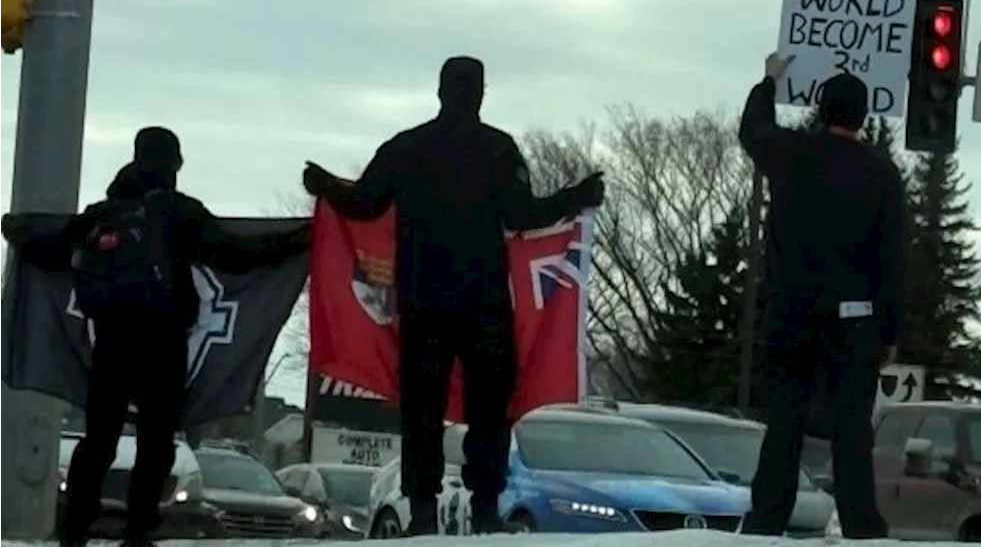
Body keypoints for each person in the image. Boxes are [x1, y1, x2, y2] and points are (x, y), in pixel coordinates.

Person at [301, 56, 604, 535]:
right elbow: (523, 214)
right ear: (480, 92)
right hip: (483, 300)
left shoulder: (406, 148)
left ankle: (422, 513)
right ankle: (485, 509)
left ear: (440, 91)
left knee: (422, 409)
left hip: (423, 301)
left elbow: (363, 203)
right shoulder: (497, 149)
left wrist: (326, 186)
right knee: (489, 411)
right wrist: (578, 195)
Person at [2, 127, 310, 547]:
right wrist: (296, 241)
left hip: (110, 341)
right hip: (163, 341)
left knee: (99, 438)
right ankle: (139, 529)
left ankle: (74, 529)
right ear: (174, 163)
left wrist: (20, 233)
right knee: (156, 439)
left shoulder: (104, 213)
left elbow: (52, 251)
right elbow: (234, 253)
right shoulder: (178, 211)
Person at [738, 53, 906, 539]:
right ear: (863, 116)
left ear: (820, 108)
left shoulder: (792, 155)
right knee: (852, 428)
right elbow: (892, 258)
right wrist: (889, 330)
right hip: (854, 320)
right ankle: (860, 523)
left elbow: (754, 131)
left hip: (789, 313)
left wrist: (769, 80)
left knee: (784, 421)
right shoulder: (881, 175)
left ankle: (768, 517)